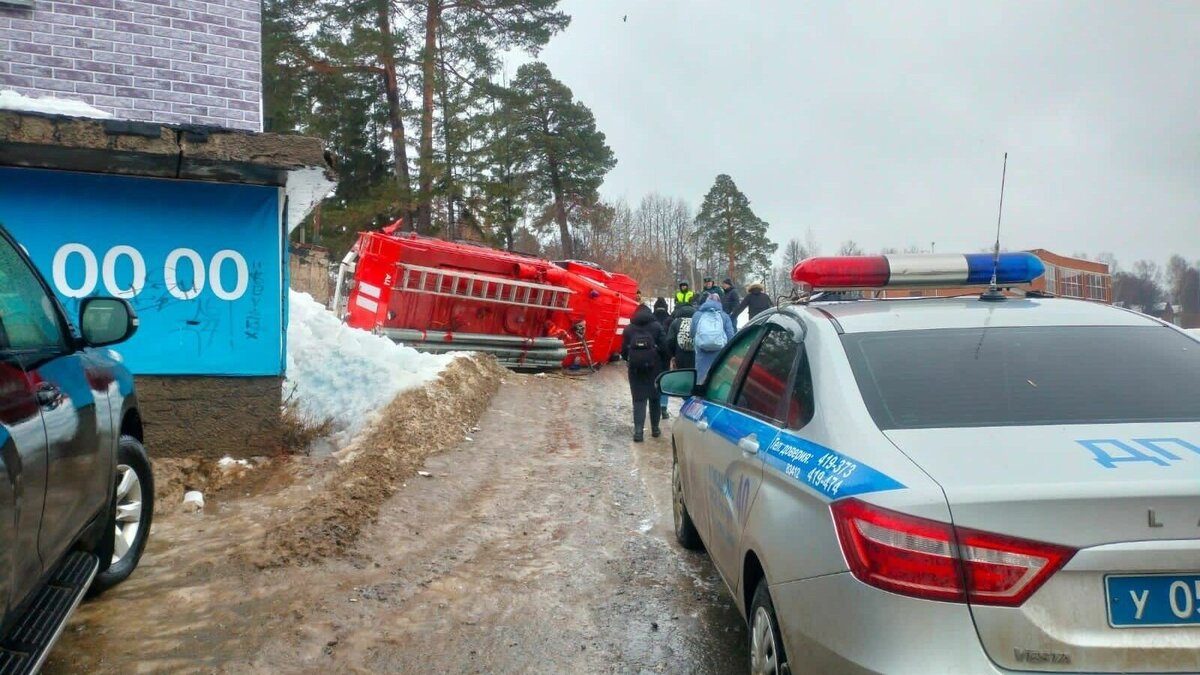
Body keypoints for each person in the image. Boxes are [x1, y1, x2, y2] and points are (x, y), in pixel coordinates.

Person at [621, 304, 668, 442]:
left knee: (638, 400)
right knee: (655, 399)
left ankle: (638, 432)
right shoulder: (657, 326)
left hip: (635, 369)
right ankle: (655, 429)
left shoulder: (629, 329)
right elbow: (665, 348)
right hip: (655, 368)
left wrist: (631, 360)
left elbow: (623, 351)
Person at [690, 293, 735, 382]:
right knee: (717, 378)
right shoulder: (724, 316)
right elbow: (730, 336)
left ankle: (700, 393)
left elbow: (692, 333)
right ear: (719, 303)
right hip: (720, 353)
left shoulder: (697, 315)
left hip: (701, 351)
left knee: (701, 378)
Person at [667, 300, 697, 373]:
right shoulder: (697, 321)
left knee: (681, 374)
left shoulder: (676, 322)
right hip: (695, 355)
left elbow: (670, 340)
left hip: (680, 354)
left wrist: (673, 355)